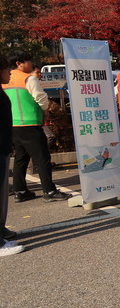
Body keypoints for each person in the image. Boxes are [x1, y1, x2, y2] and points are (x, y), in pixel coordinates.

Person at [5, 51, 69, 202]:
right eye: (28, 61)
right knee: (42, 158)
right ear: (19, 63)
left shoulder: (6, 79)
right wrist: (45, 111)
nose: (31, 64)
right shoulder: (28, 78)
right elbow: (41, 98)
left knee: (21, 158)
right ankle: (49, 191)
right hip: (30, 123)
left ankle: (20, 191)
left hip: (14, 124)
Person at [0, 55, 24, 256]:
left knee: (2, 196)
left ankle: (1, 230)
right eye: (6, 69)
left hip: (3, 148)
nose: (9, 72)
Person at [32, 64, 55, 146]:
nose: (40, 75)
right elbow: (40, 98)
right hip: (34, 119)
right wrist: (45, 111)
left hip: (39, 118)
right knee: (49, 136)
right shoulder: (30, 84)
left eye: (40, 73)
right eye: (37, 72)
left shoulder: (37, 84)